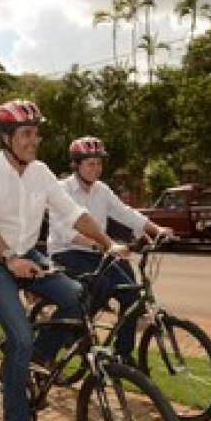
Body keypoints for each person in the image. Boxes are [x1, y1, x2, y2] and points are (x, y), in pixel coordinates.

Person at [0, 99, 125, 421]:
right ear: (6, 138)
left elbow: (73, 213)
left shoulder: (41, 172)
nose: (33, 140)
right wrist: (9, 259)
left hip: (28, 254)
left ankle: (37, 357)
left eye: (36, 133)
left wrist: (108, 244)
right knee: (20, 336)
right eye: (26, 133)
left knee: (77, 298)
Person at [47, 136, 172, 365]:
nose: (96, 169)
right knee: (101, 285)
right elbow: (64, 233)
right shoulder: (62, 190)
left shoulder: (101, 190)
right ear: (76, 165)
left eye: (99, 163)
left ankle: (122, 355)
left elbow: (125, 212)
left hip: (97, 253)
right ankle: (74, 330)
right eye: (91, 164)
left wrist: (156, 229)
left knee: (131, 295)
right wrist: (102, 244)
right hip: (66, 253)